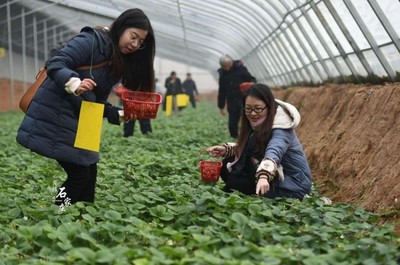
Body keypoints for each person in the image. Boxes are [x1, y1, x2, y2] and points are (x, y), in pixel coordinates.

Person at [16, 8, 156, 206]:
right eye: (133, 36)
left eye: (140, 42)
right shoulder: (92, 41)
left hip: (84, 119)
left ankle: (82, 220)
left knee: (90, 175)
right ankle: (58, 212)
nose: (135, 44)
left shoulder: (117, 61)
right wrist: (73, 82)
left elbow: (96, 100)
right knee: (79, 176)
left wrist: (117, 113)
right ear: (121, 27)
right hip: (58, 112)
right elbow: (57, 63)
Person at [206, 83, 312, 200]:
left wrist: (263, 176)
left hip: (294, 186)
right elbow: (252, 147)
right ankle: (243, 189)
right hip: (278, 175)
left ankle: (248, 191)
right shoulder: (260, 123)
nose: (252, 113)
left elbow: (274, 151)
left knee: (238, 182)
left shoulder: (282, 129)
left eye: (258, 108)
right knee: (228, 164)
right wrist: (228, 149)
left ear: (269, 106)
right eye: (248, 109)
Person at [217, 54, 257, 138]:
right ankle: (234, 137)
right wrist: (221, 106)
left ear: (231, 63)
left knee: (247, 117)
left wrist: (250, 84)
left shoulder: (241, 69)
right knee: (232, 120)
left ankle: (251, 136)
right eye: (225, 67)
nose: (227, 68)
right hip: (231, 99)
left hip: (244, 98)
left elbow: (252, 79)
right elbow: (222, 91)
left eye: (228, 66)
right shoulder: (223, 75)